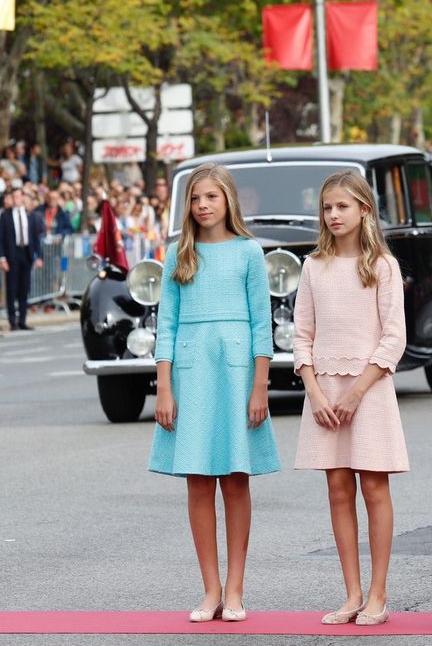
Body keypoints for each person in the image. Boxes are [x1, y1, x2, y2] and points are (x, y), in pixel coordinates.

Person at [149, 163, 280, 622]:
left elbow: (262, 323)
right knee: (198, 479)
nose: (203, 205)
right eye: (195, 198)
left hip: (238, 370)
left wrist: (260, 384)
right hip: (190, 370)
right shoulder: (178, 254)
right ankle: (210, 590)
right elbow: (165, 325)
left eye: (211, 197)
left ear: (228, 201)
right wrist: (164, 387)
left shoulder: (248, 252)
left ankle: (236, 588)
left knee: (236, 477)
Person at [293, 171, 408, 625]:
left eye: (342, 206)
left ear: (364, 210)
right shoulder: (312, 266)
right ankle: (351, 593)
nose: (333, 215)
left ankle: (378, 594)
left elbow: (393, 337)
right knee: (338, 489)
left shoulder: (382, 265)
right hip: (324, 393)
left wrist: (358, 390)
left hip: (369, 390)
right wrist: (315, 392)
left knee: (374, 488)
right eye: (327, 208)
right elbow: (302, 335)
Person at [0, 188, 44, 330]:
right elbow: (1, 239)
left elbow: (35, 238)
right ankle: (13, 321)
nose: (18, 199)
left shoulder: (30, 215)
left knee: (24, 289)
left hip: (26, 254)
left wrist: (39, 256)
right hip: (12, 255)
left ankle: (23, 320)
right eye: (15, 197)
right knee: (12, 289)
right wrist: (2, 258)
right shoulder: (5, 216)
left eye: (20, 196)